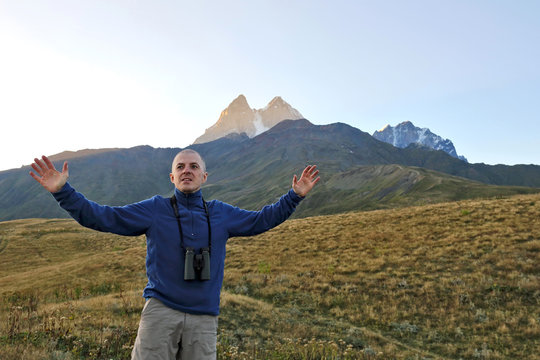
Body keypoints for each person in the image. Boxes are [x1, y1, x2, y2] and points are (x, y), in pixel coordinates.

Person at [29, 149, 319, 360]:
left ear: (204, 176)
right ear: (172, 176)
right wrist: (63, 192)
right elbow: (103, 217)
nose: (187, 171)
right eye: (180, 167)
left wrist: (294, 197)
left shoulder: (221, 213)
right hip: (160, 313)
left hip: (204, 319)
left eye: (194, 166)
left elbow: (261, 220)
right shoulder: (155, 209)